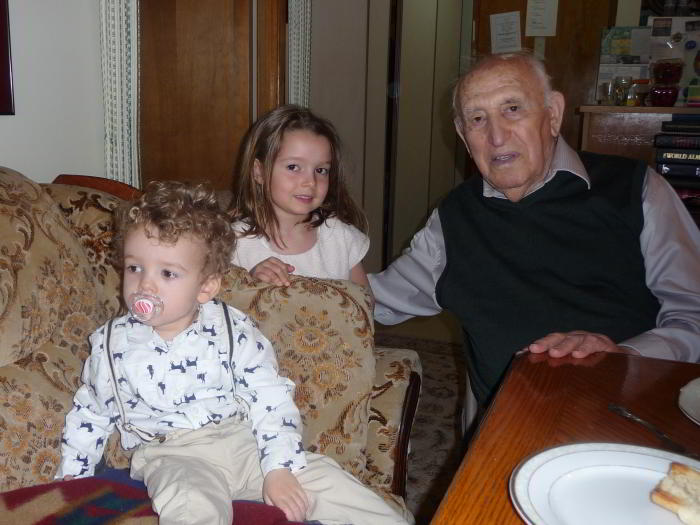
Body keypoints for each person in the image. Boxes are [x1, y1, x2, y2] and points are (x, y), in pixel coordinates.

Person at [56, 181, 409, 525]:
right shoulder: (110, 345)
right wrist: (72, 479)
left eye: (167, 273)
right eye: (135, 267)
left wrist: (279, 468)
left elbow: (269, 396)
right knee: (190, 502)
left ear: (206, 286)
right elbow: (90, 414)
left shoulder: (232, 329)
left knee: (326, 480)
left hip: (243, 444)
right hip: (172, 455)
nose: (145, 284)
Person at [369, 51, 700, 415]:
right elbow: (371, 302)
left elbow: (693, 316)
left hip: (626, 416)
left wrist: (623, 356)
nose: (497, 136)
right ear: (463, 136)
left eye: (512, 109)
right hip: (505, 427)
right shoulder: (454, 217)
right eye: (477, 119)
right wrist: (318, 247)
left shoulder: (635, 190)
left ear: (553, 114)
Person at [230, 104, 371, 289]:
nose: (311, 182)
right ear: (259, 172)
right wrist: (249, 283)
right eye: (293, 167)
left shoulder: (340, 237)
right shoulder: (233, 243)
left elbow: (365, 301)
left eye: (321, 170)